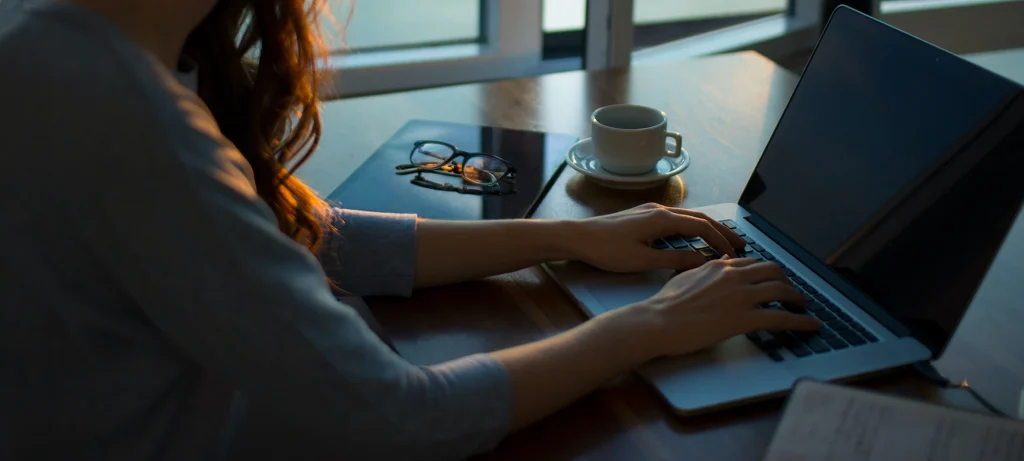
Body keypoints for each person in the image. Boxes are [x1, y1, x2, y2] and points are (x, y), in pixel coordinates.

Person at [0, 0, 820, 459]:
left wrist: (563, 240)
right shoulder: (120, 111)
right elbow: (400, 417)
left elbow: (297, 233)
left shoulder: (60, 43)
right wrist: (647, 325)